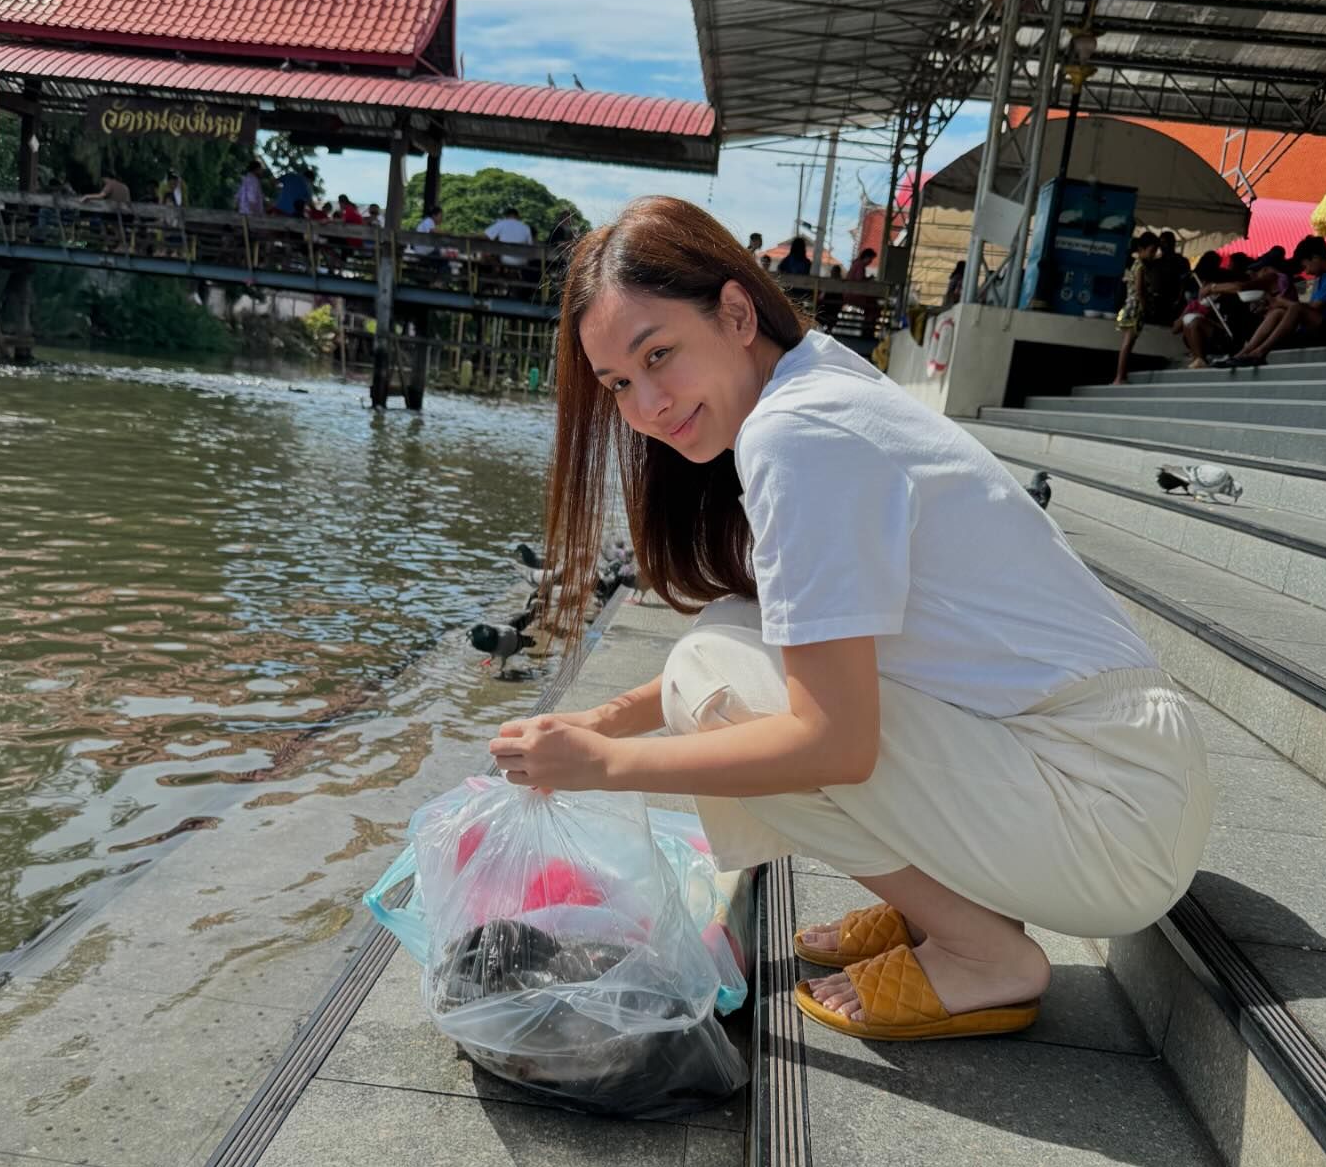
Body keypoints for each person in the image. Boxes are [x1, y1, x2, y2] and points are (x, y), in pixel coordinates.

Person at [486, 196, 1214, 1043]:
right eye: (619, 384)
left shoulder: (796, 436)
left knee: (710, 683)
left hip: (1109, 814)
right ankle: (946, 908)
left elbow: (834, 744)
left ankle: (981, 949)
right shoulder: (822, 378)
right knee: (729, 627)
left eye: (660, 355)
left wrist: (608, 763)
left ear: (733, 311)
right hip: (1124, 773)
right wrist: (606, 717)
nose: (647, 404)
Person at [1222, 234, 1326, 366]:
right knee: (1278, 312)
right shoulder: (1323, 277)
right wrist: (1278, 306)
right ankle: (1243, 353)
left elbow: (1313, 307)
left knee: (1295, 308)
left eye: (1306, 266)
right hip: (1325, 327)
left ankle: (1260, 352)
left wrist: (1282, 301)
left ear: (1315, 258)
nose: (1307, 272)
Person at [1114, 231, 1160, 384]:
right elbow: (1140, 290)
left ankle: (1121, 376)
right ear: (1142, 249)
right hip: (1135, 307)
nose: (1153, 254)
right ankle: (1120, 377)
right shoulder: (1140, 266)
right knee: (1128, 343)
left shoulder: (1136, 264)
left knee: (1128, 342)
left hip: (1131, 306)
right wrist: (1146, 306)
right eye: (1151, 251)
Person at [845, 246, 879, 336]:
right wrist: (869, 279)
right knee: (874, 306)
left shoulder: (856, 264)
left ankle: (867, 327)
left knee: (872, 305)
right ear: (867, 257)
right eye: (870, 259)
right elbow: (860, 281)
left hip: (850, 293)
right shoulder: (860, 265)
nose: (871, 262)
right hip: (853, 295)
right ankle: (868, 329)